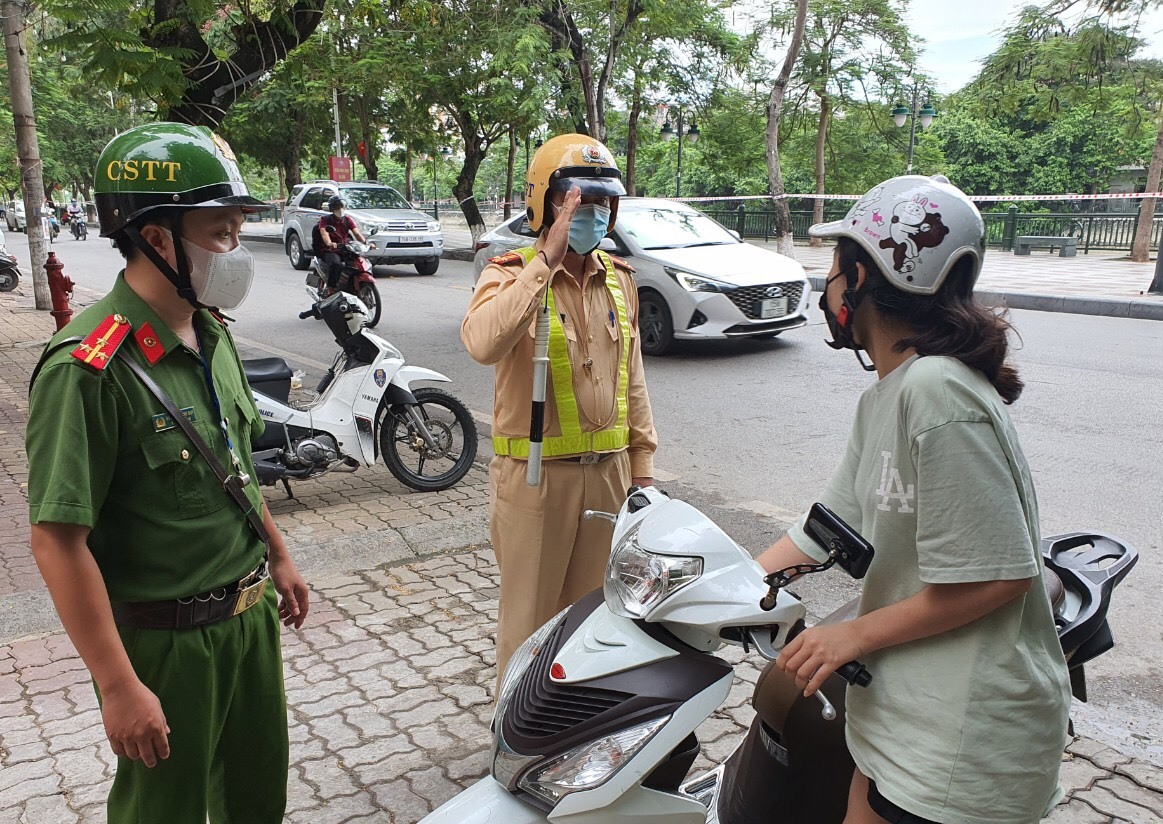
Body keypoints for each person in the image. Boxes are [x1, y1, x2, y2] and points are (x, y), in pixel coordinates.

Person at [756, 175, 1070, 824]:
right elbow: (822, 531)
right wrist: (703, 595)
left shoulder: (937, 391)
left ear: (867, 278)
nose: (829, 286)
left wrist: (849, 635)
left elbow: (1001, 573)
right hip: (901, 712)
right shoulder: (887, 398)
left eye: (837, 266)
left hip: (963, 734)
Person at [26, 122, 310, 824]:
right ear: (156, 238)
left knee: (255, 800)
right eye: (220, 233)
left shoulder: (209, 334)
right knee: (166, 812)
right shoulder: (88, 369)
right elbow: (57, 542)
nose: (235, 250)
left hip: (249, 622)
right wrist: (118, 685)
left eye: (238, 230)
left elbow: (232, 465)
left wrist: (277, 554)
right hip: (164, 645)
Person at [462, 134, 658, 683]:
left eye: (602, 203)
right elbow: (483, 344)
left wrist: (642, 471)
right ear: (545, 201)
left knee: (594, 621)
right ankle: (517, 742)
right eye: (576, 200)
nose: (591, 213)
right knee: (530, 624)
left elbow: (632, 380)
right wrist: (544, 261)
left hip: (610, 479)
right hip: (536, 479)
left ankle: (571, 736)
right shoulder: (508, 273)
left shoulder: (619, 281)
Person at [316, 194, 367, 294]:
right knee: (336, 264)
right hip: (331, 250)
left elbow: (356, 233)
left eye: (341, 206)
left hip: (345, 248)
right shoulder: (325, 220)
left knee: (357, 262)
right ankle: (331, 287)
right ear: (332, 208)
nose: (340, 209)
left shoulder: (347, 219)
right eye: (336, 207)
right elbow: (324, 233)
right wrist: (330, 243)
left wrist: (366, 242)